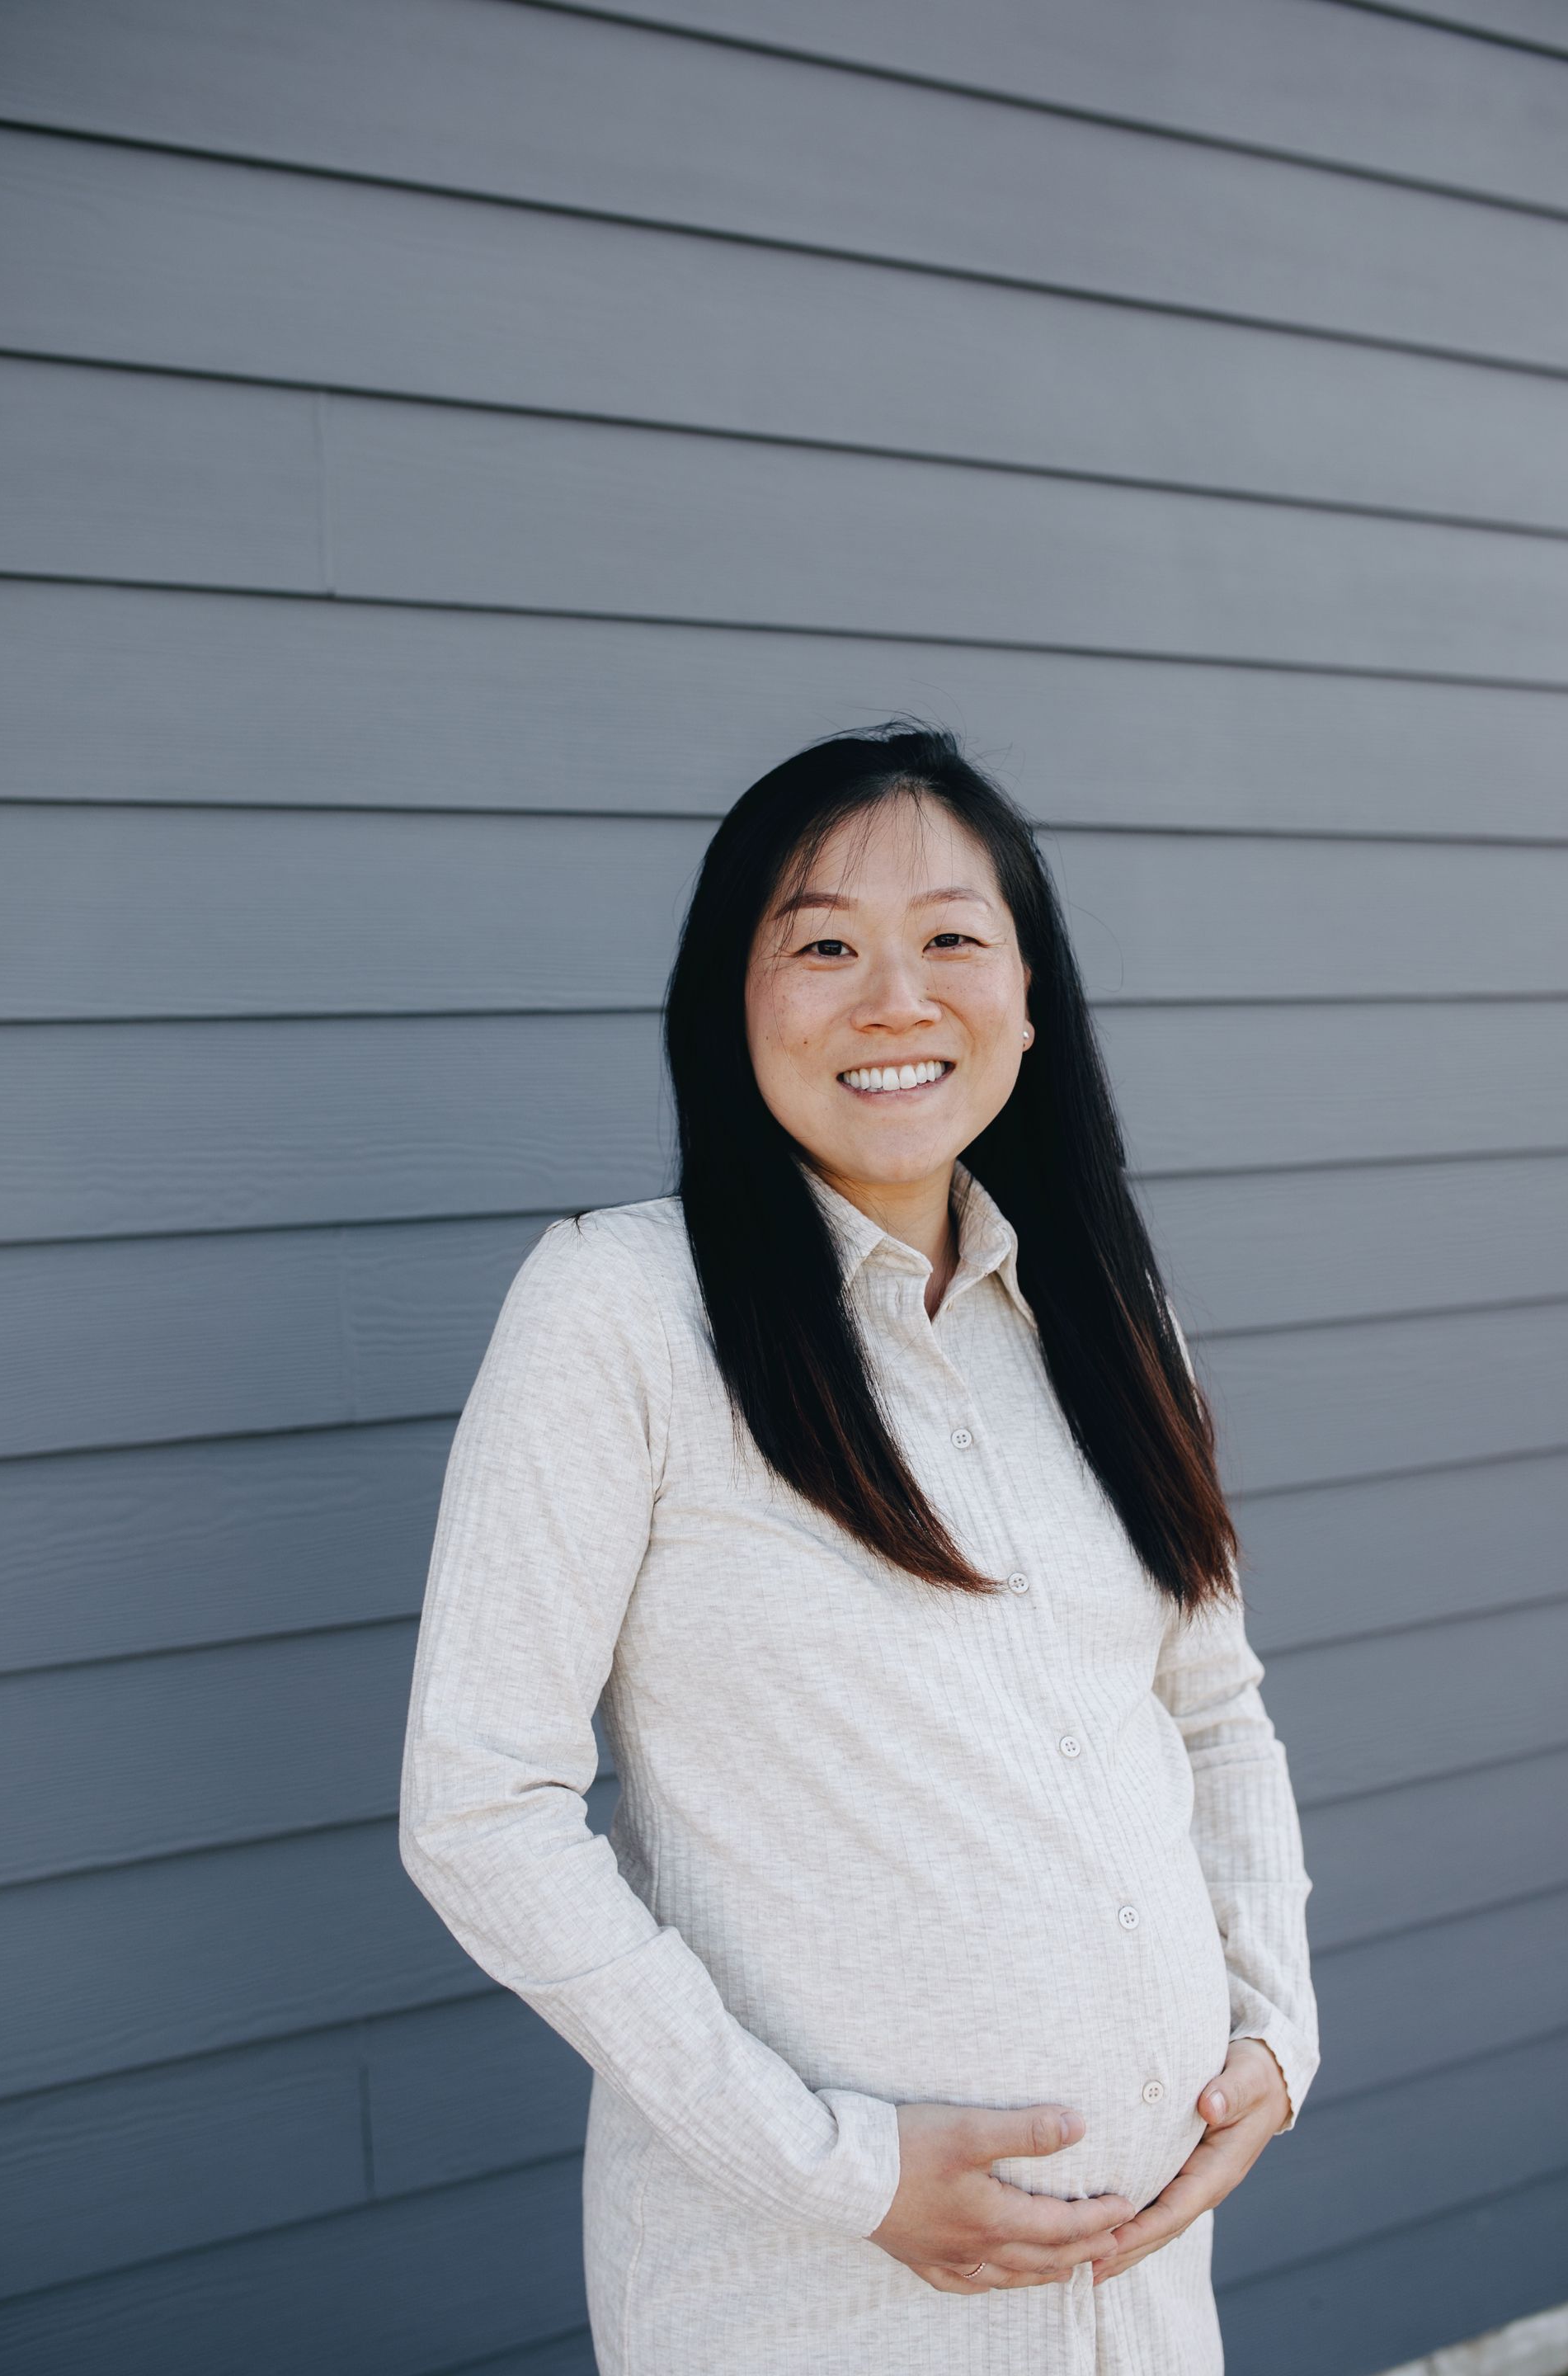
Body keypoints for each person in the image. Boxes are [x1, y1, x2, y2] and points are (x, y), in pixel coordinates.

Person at [398, 723, 1318, 2374]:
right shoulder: (621, 1314)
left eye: (954, 940)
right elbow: (479, 1808)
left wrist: (1274, 2029)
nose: (897, 998)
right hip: (815, 2303)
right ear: (728, 1001)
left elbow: (1213, 1710)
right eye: (823, 944)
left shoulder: (1111, 1330)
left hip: (1144, 2294)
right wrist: (838, 2169)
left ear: (1031, 1000)